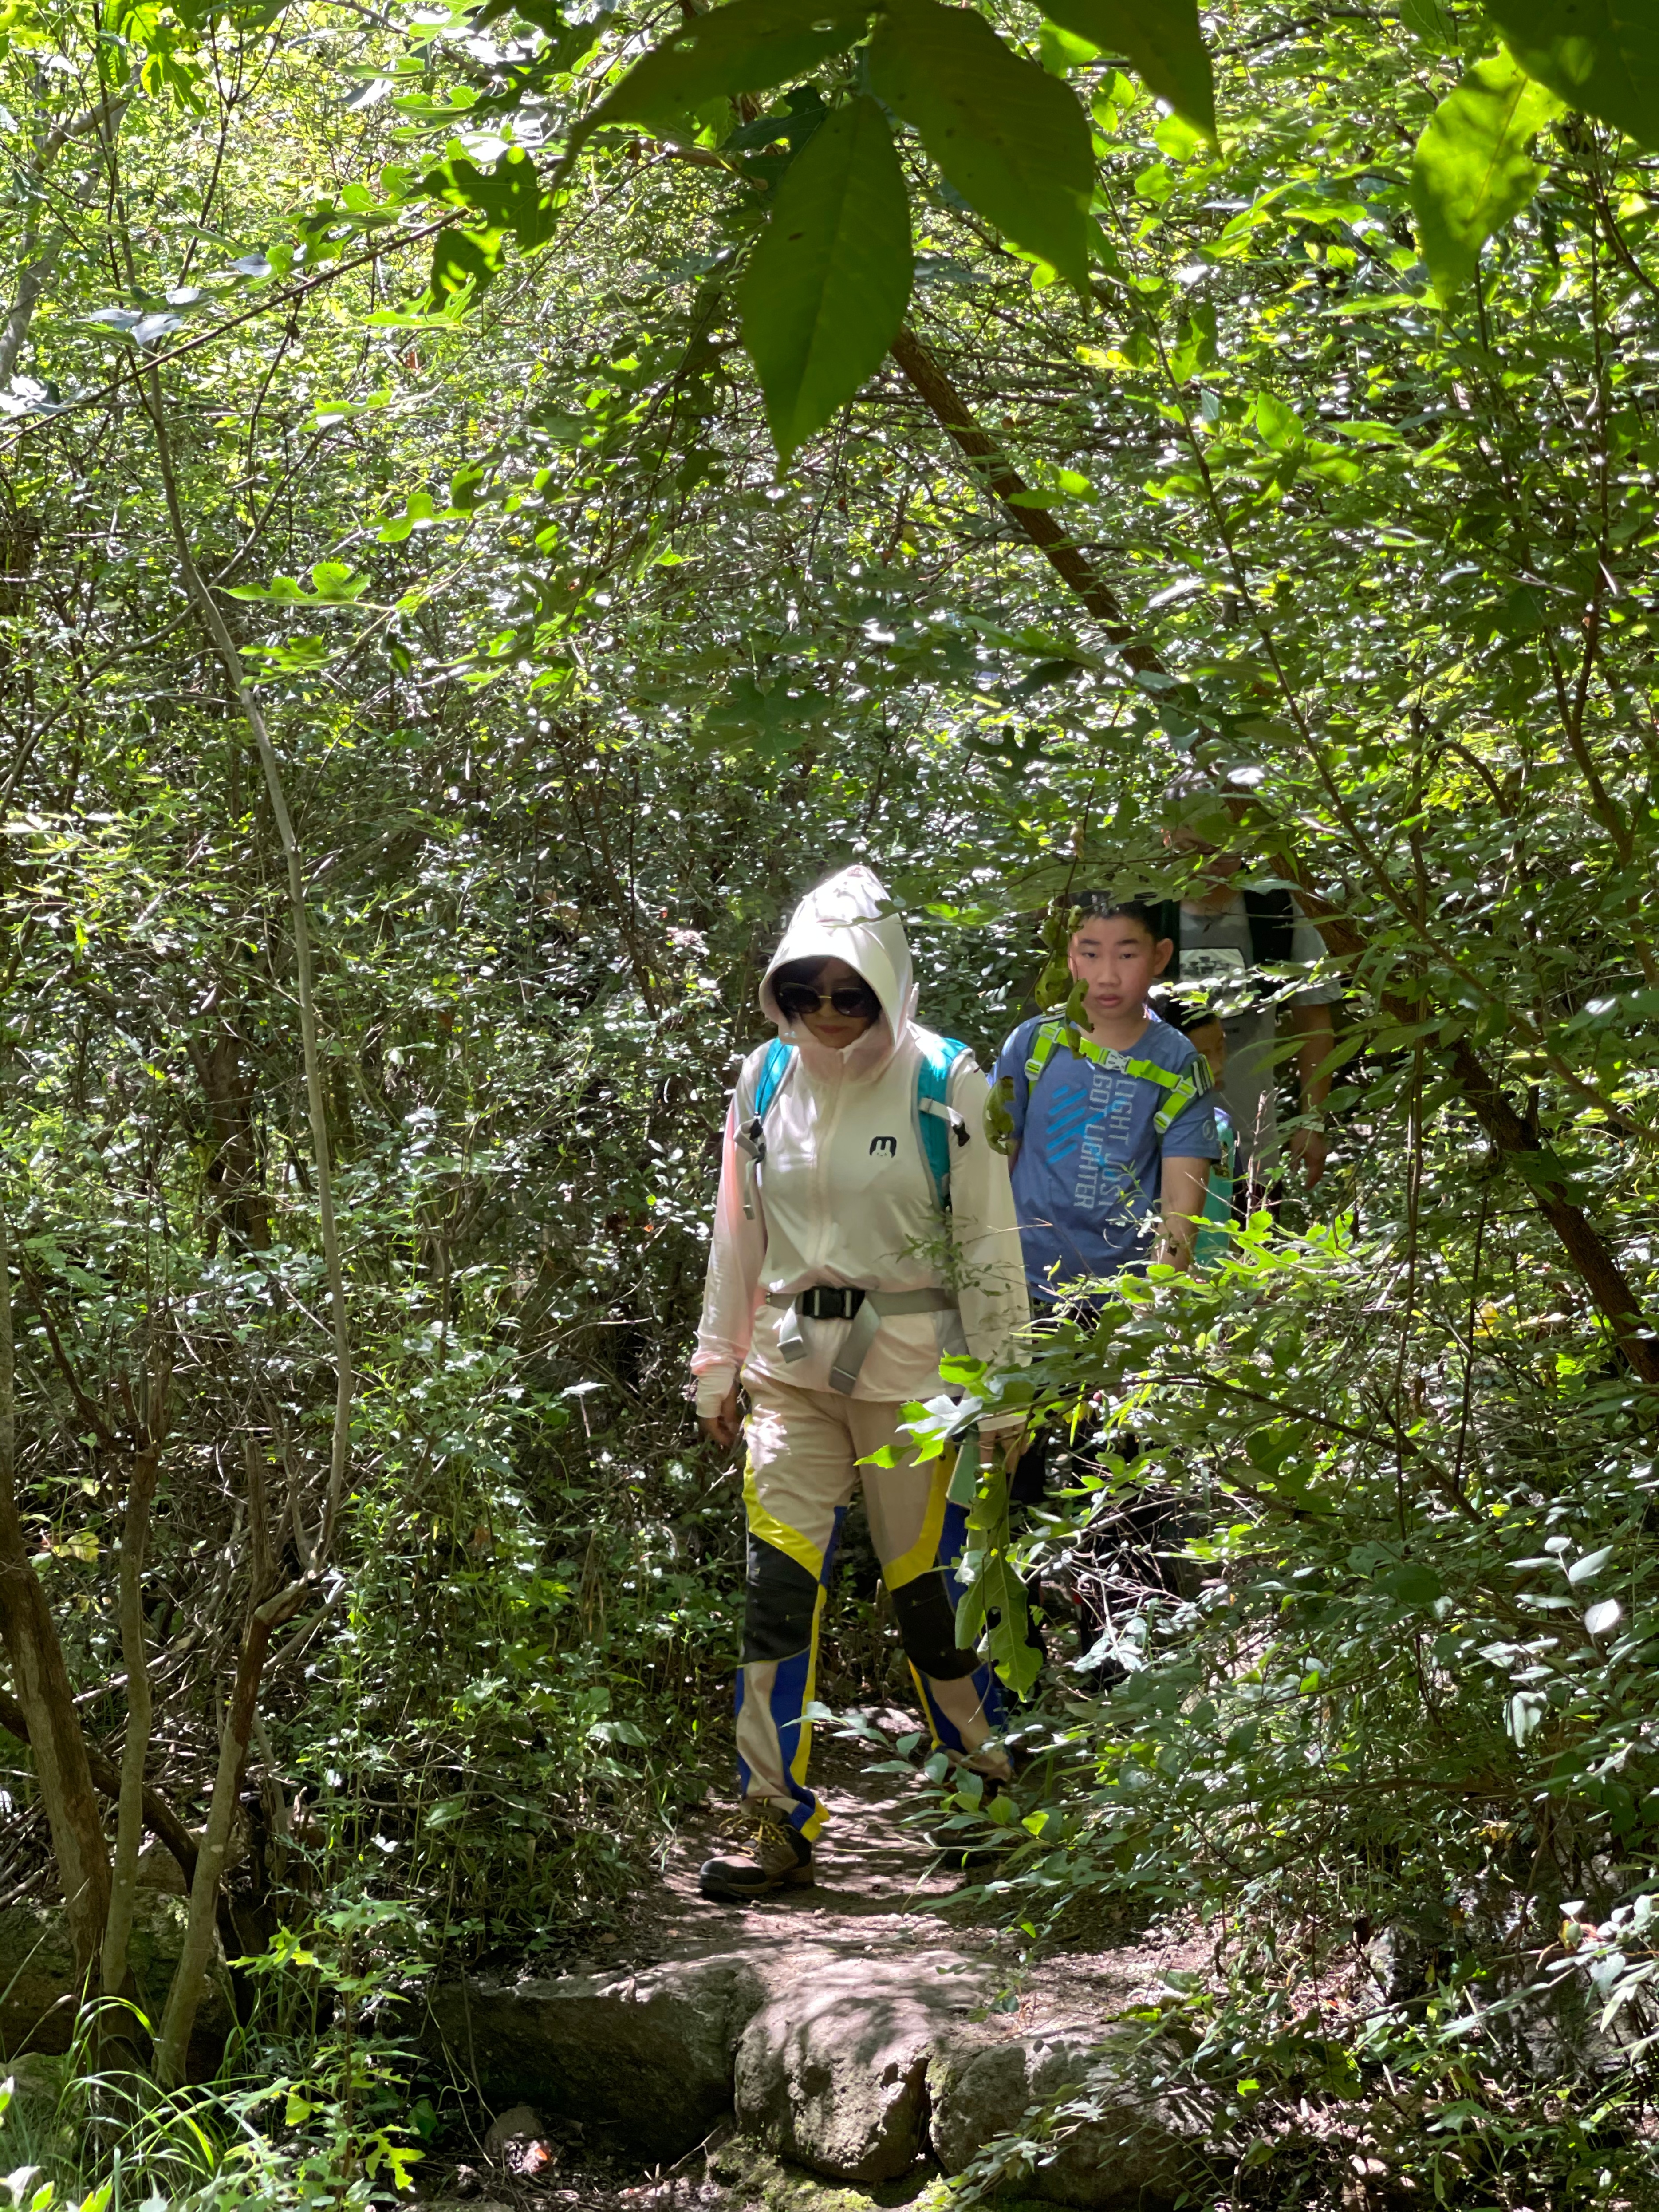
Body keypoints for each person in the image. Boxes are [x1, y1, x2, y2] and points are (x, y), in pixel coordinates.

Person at [690, 865, 1030, 1904]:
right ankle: (773, 1822)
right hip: (790, 1372)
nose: (829, 1017)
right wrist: (715, 1363)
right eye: (807, 995)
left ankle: (987, 1790)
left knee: (928, 1600)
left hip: (918, 1377)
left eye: (850, 995)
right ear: (780, 995)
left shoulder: (947, 1083)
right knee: (774, 1598)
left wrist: (1007, 1386)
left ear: (889, 987)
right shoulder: (764, 1081)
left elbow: (986, 1238)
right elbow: (736, 1229)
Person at [992, 896, 1219, 1688]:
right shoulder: (1034, 1042)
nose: (1104, 973)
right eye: (1087, 952)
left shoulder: (1177, 1061)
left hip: (1114, 1304)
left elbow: (1179, 1212)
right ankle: (1004, 1658)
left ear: (1158, 958)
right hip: (1020, 1293)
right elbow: (994, 1158)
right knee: (1007, 1473)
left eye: (1124, 953)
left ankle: (1115, 1665)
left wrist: (1149, 1315)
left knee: (1115, 1477)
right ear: (1066, 956)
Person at [1155, 762, 1340, 1193]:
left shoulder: (1277, 908)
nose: (1211, 863)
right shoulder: (1141, 910)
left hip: (1250, 1146)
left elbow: (1313, 1020)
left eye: (1224, 848)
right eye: (1192, 847)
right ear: (1166, 836)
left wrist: (1310, 1118)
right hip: (1146, 1143)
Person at [1155, 994, 1237, 1270]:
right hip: (1165, 1282)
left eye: (1220, 1048)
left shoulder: (1223, 1127)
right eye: (1201, 1056)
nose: (1217, 1065)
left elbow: (1227, 1209)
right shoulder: (1144, 1131)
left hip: (1215, 1287)